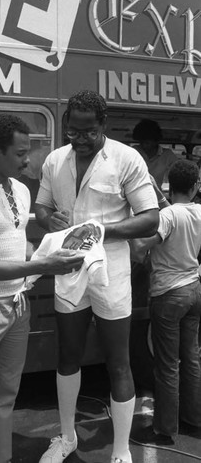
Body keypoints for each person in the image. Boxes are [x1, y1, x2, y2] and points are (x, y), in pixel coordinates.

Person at [0, 113, 85, 463]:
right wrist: (41, 265)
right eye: (21, 152)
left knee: (4, 397)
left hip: (16, 305)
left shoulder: (22, 190)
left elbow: (14, 245)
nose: (28, 160)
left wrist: (54, 250)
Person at [34, 90, 159, 463]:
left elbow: (150, 217)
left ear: (103, 125)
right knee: (67, 356)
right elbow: (41, 207)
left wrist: (102, 230)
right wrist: (47, 219)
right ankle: (67, 437)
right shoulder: (55, 161)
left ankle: (121, 451)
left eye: (88, 132)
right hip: (69, 268)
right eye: (73, 131)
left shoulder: (126, 159)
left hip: (112, 273)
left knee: (118, 361)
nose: (80, 139)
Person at [132, 159, 201, 444]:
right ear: (196, 186)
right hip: (195, 290)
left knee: (167, 364)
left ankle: (164, 428)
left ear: (169, 186)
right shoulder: (199, 211)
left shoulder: (167, 215)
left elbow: (139, 248)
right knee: (192, 357)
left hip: (168, 294)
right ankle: (194, 418)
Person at [132, 119, 178, 190]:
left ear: (156, 141)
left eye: (147, 143)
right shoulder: (132, 152)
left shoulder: (168, 156)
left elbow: (179, 174)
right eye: (141, 142)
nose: (144, 146)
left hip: (156, 196)